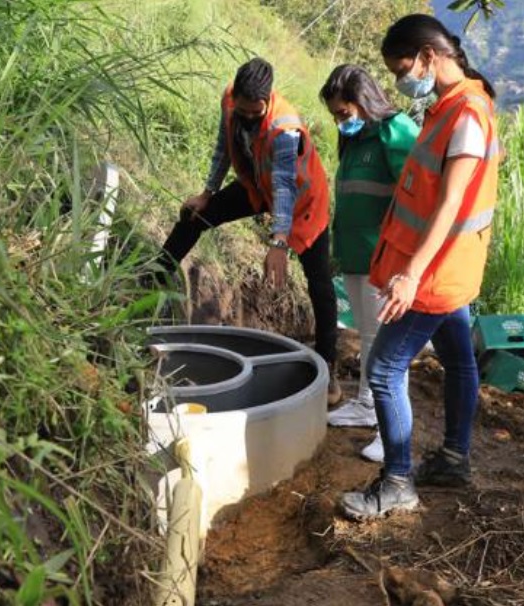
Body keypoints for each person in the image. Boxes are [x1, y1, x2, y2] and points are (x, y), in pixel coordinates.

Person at [341, 14, 500, 519]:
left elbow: (449, 206)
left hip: (434, 273)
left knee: (385, 370)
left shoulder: (467, 115)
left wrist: (410, 274)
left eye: (402, 67)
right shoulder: (447, 107)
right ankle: (453, 459)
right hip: (447, 270)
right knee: (458, 359)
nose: (398, 80)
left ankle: (398, 481)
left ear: (430, 57)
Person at [157, 58, 342, 404]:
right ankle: (153, 274)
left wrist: (279, 242)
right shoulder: (231, 101)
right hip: (258, 183)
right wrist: (207, 193)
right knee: (196, 216)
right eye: (242, 112)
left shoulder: (285, 128)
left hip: (303, 200)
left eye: (254, 115)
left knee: (319, 283)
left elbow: (286, 188)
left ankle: (329, 372)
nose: (247, 119)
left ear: (267, 100)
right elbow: (222, 149)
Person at [319, 65, 420, 463]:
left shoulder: (396, 132)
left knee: (386, 346)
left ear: (364, 102)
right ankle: (364, 403)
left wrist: (407, 263)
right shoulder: (357, 137)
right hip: (357, 254)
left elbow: (416, 198)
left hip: (387, 258)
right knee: (367, 335)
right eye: (335, 116)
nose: (339, 122)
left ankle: (390, 428)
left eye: (343, 113)